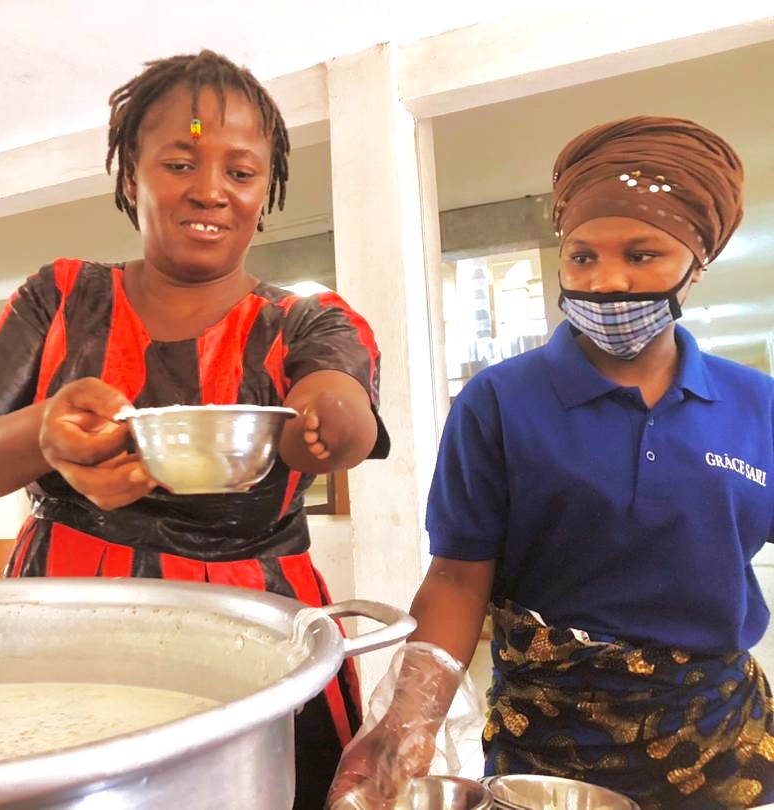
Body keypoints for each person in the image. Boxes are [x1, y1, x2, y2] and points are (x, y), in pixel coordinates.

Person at [0, 50, 389, 809]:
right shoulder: (61, 297)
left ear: (265, 192)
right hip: (62, 622)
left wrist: (331, 417)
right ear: (131, 176)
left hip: (257, 631)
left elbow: (340, 411)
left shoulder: (306, 319)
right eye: (179, 162)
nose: (210, 190)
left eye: (240, 172)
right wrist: (44, 431)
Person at [328, 115, 774, 810]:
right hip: (548, 753)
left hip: (716, 743)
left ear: (699, 261)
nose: (609, 282)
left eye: (643, 254)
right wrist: (406, 725)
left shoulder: (757, 406)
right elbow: (455, 579)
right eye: (583, 256)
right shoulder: (499, 402)